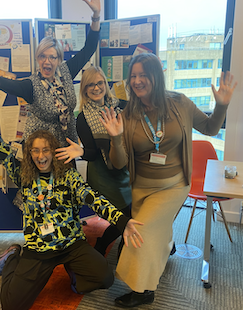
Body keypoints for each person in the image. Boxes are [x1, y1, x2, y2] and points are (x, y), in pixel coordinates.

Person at [0, 96, 144, 310]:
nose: (41, 155)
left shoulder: (67, 176)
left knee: (104, 278)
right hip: (39, 249)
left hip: (71, 244)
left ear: (53, 152)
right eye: (35, 150)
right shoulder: (23, 175)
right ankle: (13, 257)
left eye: (46, 150)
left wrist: (122, 221)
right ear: (29, 153)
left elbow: (93, 198)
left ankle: (74, 274)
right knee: (11, 305)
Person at [100, 53, 237, 308]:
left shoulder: (180, 103)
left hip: (174, 184)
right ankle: (162, 253)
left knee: (140, 233)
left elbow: (210, 129)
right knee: (155, 232)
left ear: (156, 76)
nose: (138, 81)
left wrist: (222, 106)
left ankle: (144, 290)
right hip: (142, 188)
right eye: (134, 76)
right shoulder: (128, 114)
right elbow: (118, 163)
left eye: (144, 74)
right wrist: (116, 138)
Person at [0, 0, 101, 148]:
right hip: (41, 149)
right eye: (42, 56)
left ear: (59, 59)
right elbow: (5, 83)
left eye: (52, 57)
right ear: (37, 58)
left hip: (67, 143)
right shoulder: (32, 84)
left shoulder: (66, 71)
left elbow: (89, 48)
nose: (47, 61)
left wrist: (96, 14)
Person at [55, 66, 132, 257]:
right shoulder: (82, 118)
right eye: (90, 85)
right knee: (125, 217)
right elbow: (92, 154)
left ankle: (104, 243)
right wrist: (81, 151)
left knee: (129, 215)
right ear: (84, 89)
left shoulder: (122, 106)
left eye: (99, 83)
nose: (96, 88)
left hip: (126, 170)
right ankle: (110, 247)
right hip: (103, 175)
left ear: (105, 84)